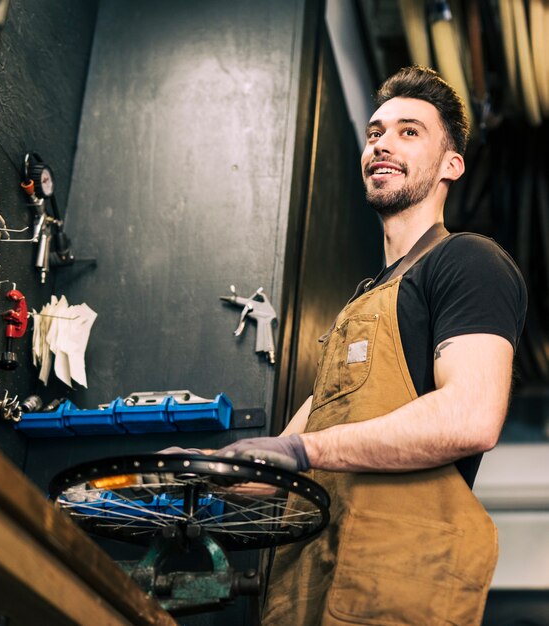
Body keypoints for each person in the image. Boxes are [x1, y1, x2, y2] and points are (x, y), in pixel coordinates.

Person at [214, 66, 527, 626]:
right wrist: (198, 477)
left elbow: (472, 415)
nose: (382, 142)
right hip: (309, 589)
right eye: (376, 131)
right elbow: (284, 461)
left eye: (410, 131)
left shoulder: (467, 263)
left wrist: (305, 453)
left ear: (450, 165)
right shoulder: (358, 308)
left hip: (397, 592)